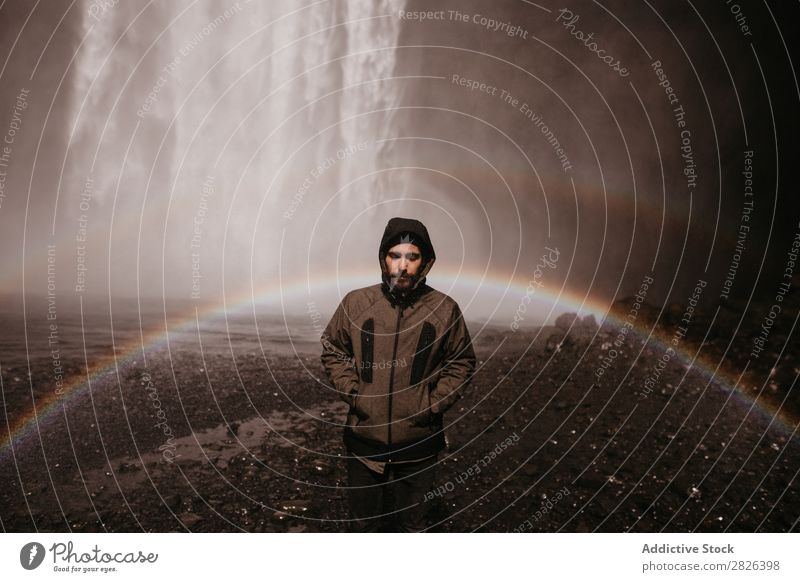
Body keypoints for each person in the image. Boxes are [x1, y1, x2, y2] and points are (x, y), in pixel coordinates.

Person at [320, 216, 477, 532]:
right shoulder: (356, 302)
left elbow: (462, 361)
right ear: (383, 258)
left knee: (413, 527)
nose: (402, 266)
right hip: (365, 444)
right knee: (364, 527)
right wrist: (355, 393)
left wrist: (431, 405)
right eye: (395, 255)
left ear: (425, 263)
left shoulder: (445, 309)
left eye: (412, 257)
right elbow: (333, 349)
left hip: (418, 446)